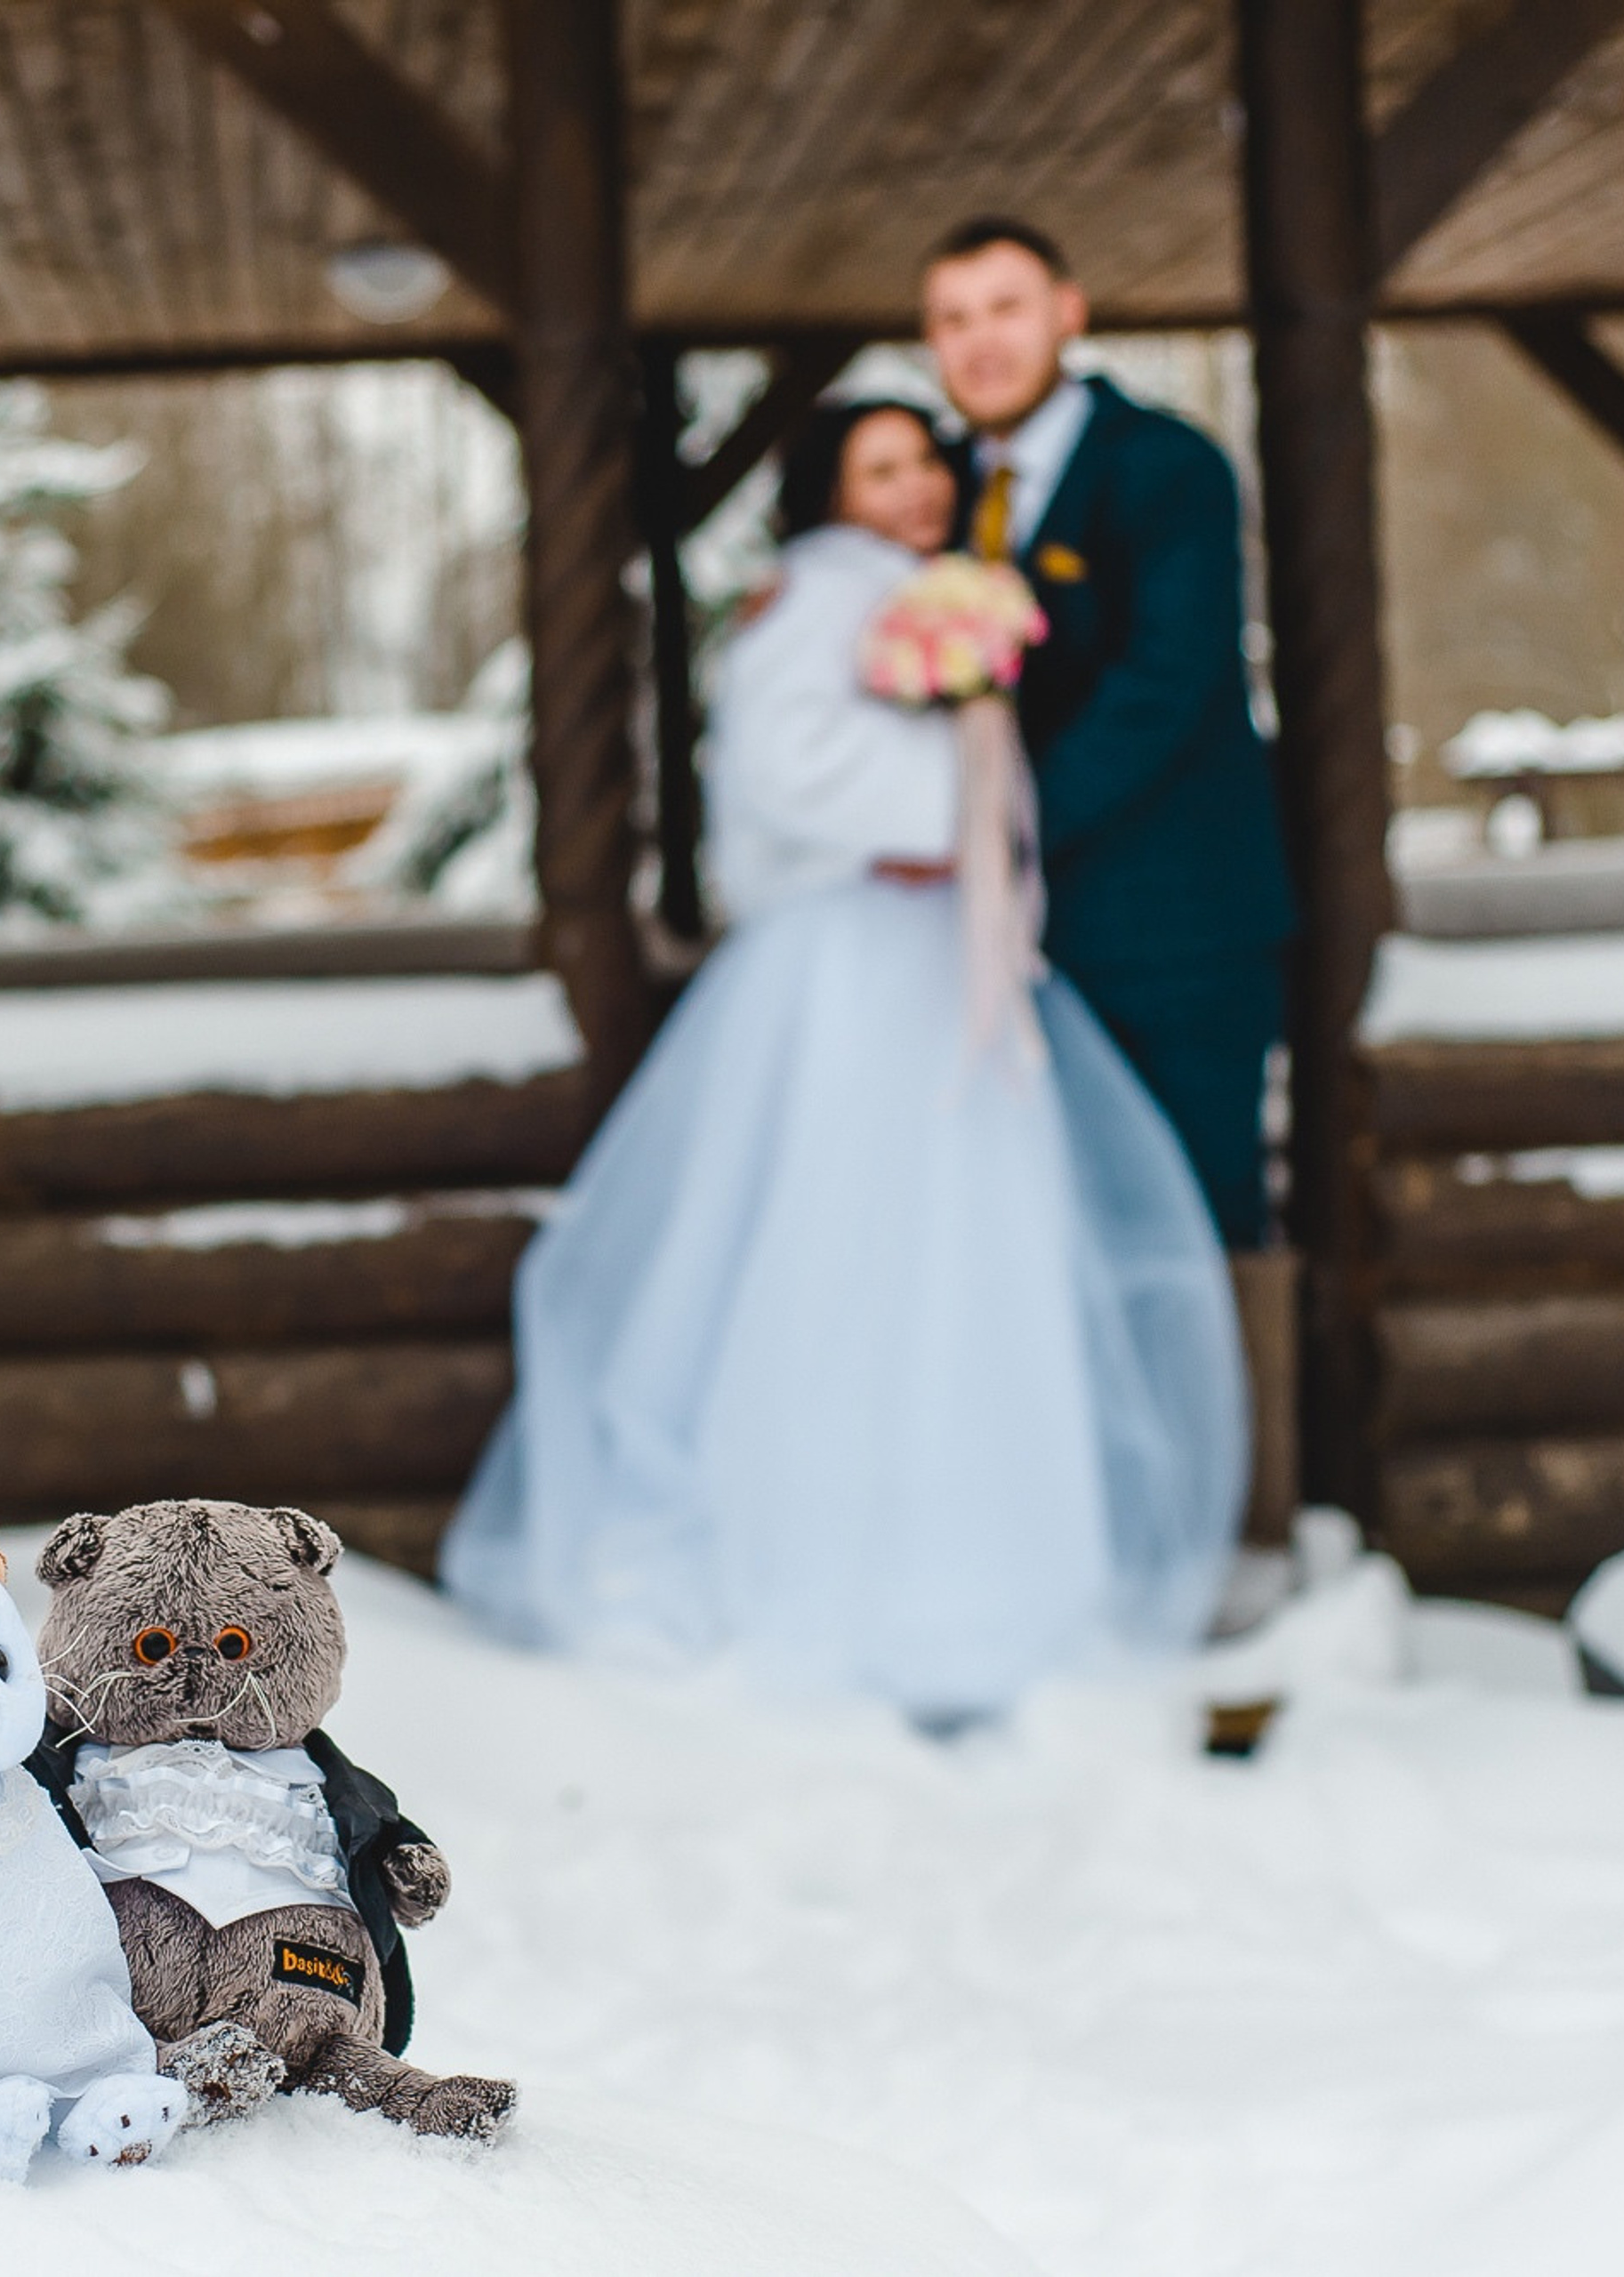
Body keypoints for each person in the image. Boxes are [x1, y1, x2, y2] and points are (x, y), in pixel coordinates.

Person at [438, 398, 1248, 1724]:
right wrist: (945, 818)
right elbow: (787, 763)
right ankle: (847, 1568)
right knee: (856, 1242)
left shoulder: (928, 590)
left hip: (943, 952)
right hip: (864, 961)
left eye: (924, 459)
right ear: (827, 493)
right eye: (881, 467)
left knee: (968, 1246)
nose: (915, 484)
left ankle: (974, 1569)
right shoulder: (818, 592)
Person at [924, 217, 1297, 1249]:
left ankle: (1231, 1418)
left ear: (1067, 313)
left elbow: (1163, 686)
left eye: (1005, 308)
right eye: (952, 319)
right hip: (1005, 955)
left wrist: (995, 825)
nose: (980, 340)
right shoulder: (935, 492)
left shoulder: (1168, 469)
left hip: (1174, 939)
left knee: (1193, 1230)